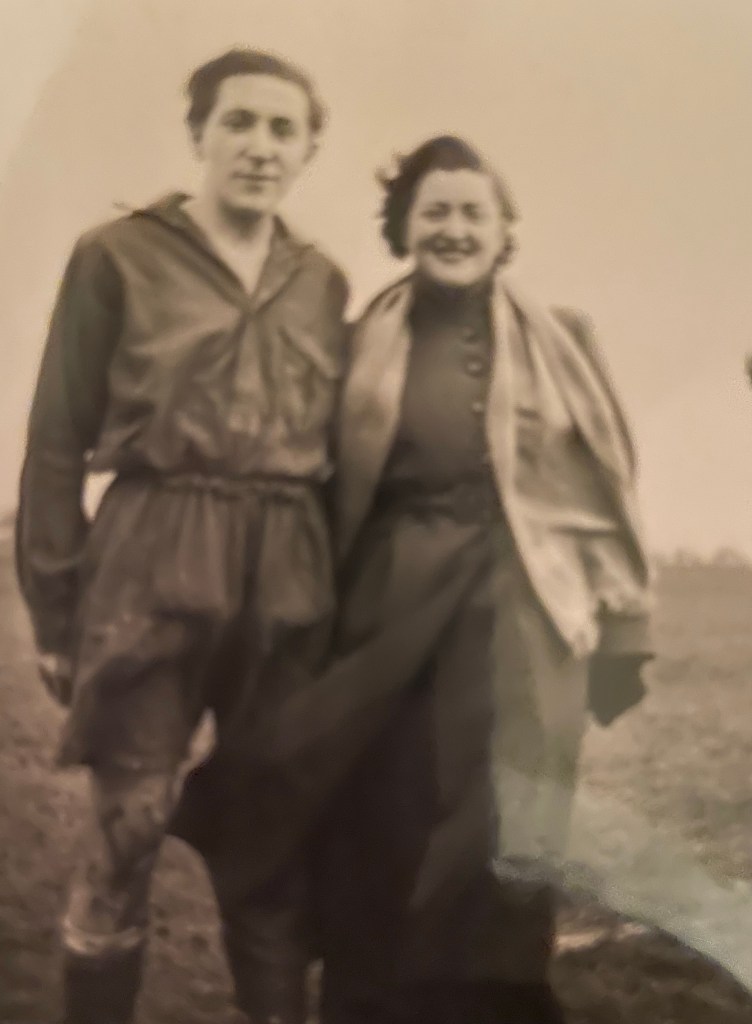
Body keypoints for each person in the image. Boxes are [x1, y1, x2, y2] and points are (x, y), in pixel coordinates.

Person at [15, 47, 348, 1024]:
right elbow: (57, 437)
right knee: (129, 828)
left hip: (287, 570)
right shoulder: (116, 255)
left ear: (309, 150)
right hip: (152, 554)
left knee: (272, 843)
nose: (260, 146)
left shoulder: (323, 281)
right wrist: (54, 608)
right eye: (238, 121)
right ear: (199, 133)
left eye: (283, 129)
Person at [287, 135, 653, 1024]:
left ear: (503, 228)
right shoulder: (360, 340)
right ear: (404, 226)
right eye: (435, 211)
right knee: (385, 813)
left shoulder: (565, 338)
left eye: (473, 212)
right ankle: (373, 1002)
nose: (455, 229)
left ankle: (498, 1001)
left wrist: (624, 633)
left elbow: (607, 486)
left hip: (524, 611)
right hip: (388, 610)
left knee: (512, 821)